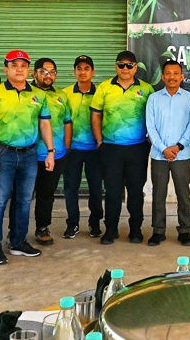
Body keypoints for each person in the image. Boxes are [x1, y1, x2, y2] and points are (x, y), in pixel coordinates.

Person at [0, 50, 55, 265]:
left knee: (24, 200)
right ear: (6, 69)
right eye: (14, 65)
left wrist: (50, 151)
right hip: (2, 153)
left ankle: (17, 241)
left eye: (23, 66)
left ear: (29, 70)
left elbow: (44, 124)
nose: (19, 69)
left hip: (30, 154)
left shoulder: (38, 95)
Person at [91, 51, 154, 245]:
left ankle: (136, 230)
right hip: (111, 148)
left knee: (135, 191)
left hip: (138, 148)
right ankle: (111, 230)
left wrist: (151, 139)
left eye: (129, 65)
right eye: (121, 65)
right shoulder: (104, 87)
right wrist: (99, 140)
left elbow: (154, 116)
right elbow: (96, 115)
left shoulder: (146, 89)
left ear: (135, 68)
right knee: (112, 191)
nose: (125, 69)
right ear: (115, 66)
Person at [145, 60, 190, 247]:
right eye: (168, 73)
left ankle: (185, 231)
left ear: (182, 76)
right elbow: (150, 126)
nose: (172, 77)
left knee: (183, 194)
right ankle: (158, 231)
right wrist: (163, 148)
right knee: (158, 194)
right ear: (163, 76)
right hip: (159, 155)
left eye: (176, 73)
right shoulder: (153, 98)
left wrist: (178, 147)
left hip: (181, 155)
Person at [28, 58, 71, 246]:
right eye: (44, 71)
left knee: (46, 194)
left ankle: (42, 227)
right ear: (34, 73)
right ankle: (16, 232)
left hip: (54, 155)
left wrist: (66, 148)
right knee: (22, 195)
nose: (48, 75)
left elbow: (67, 122)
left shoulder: (61, 95)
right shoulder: (26, 92)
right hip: (28, 154)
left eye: (52, 72)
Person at [61, 55, 103, 239]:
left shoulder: (101, 92)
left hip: (95, 149)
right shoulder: (65, 94)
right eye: (79, 68)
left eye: (86, 68)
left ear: (93, 72)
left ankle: (95, 224)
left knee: (96, 188)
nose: (82, 72)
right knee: (71, 188)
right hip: (72, 149)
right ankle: (72, 224)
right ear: (74, 72)